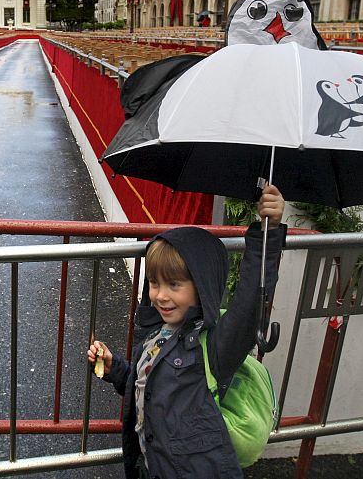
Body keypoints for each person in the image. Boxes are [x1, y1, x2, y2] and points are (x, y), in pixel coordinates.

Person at [87, 185, 286, 479]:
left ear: (202, 286)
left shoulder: (213, 347)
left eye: (174, 285)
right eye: (155, 282)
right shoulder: (157, 335)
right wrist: (115, 367)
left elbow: (249, 306)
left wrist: (266, 235)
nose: (160, 296)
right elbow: (149, 386)